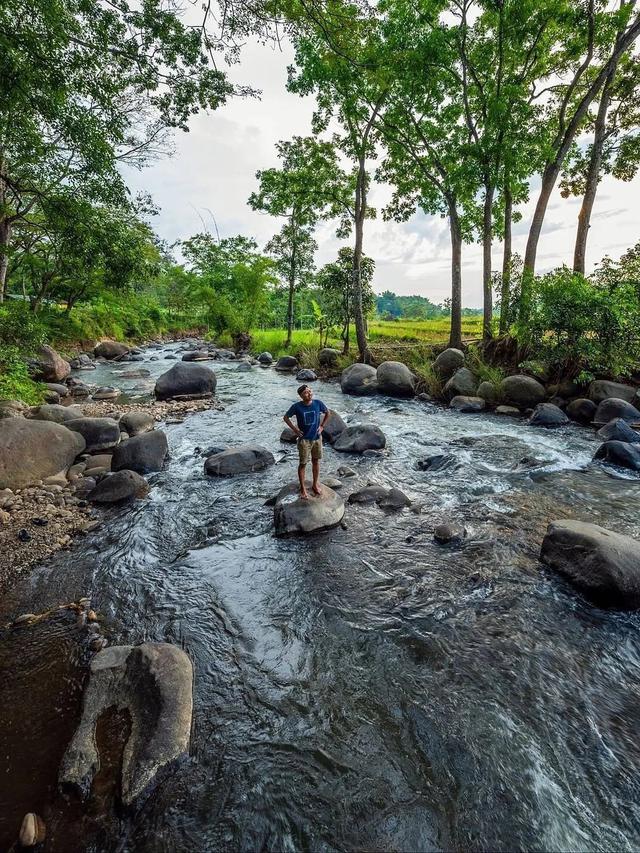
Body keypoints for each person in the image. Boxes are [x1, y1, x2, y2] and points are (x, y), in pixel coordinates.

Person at [283, 384, 330, 499]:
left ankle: (314, 484)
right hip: (304, 441)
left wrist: (322, 426)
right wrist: (295, 430)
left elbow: (328, 413)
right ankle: (303, 489)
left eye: (310, 391)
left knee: (316, 461)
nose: (309, 394)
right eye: (306, 392)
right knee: (303, 464)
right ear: (301, 396)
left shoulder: (318, 403)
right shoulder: (296, 407)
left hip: (317, 438)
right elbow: (286, 417)